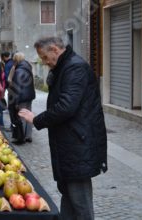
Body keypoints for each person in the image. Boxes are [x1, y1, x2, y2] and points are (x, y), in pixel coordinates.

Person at [18, 36, 108, 219]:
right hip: (70, 142)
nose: (44, 62)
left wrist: (37, 120)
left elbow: (67, 106)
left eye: (44, 57)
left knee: (80, 201)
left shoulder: (74, 67)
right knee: (69, 194)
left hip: (78, 143)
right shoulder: (64, 67)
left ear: (54, 49)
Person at [7, 52, 35, 144]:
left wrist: (16, 101)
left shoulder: (18, 70)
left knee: (22, 116)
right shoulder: (28, 67)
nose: (13, 61)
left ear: (16, 60)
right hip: (29, 95)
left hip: (22, 97)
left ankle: (21, 137)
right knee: (29, 115)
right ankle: (28, 136)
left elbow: (17, 87)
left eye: (14, 59)